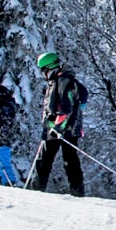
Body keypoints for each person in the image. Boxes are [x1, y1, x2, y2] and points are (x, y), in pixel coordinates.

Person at [26, 52, 89, 197]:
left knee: (45, 159)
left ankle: (36, 190)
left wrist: (56, 127)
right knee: (70, 160)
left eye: (43, 70)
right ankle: (77, 191)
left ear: (50, 68)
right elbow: (82, 100)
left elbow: (66, 108)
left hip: (59, 128)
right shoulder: (66, 80)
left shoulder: (62, 81)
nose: (43, 74)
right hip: (70, 128)